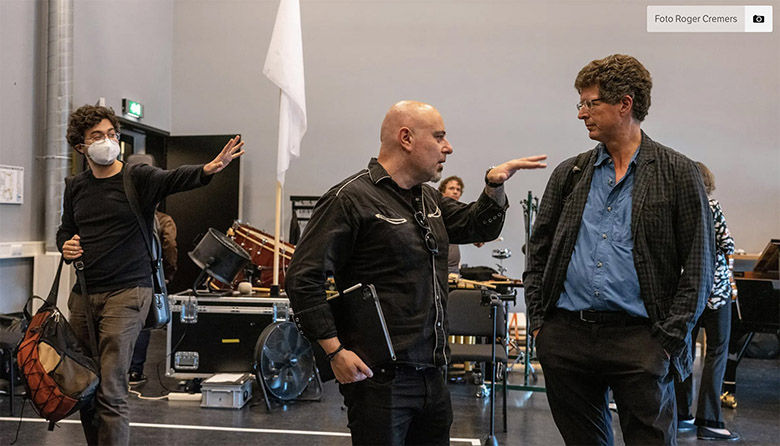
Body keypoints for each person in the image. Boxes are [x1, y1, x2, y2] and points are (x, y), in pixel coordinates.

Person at [285, 100, 546, 445]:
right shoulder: (350, 199)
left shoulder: (428, 199)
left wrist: (494, 186)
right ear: (406, 138)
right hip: (380, 380)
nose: (448, 147)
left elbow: (477, 226)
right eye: (439, 137)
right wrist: (334, 351)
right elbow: (302, 278)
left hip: (433, 374)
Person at [523, 54, 714, 445]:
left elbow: (699, 267)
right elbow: (538, 252)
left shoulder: (677, 173)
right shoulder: (570, 174)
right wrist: (542, 326)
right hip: (568, 339)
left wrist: (667, 342)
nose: (581, 113)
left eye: (590, 103)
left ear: (625, 103)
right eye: (580, 103)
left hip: (642, 341)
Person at [57, 104, 244, 445]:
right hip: (84, 294)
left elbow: (173, 178)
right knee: (86, 384)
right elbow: (66, 230)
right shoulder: (75, 186)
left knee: (111, 386)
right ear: (81, 146)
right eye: (97, 136)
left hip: (129, 292)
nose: (107, 141)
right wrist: (65, 245)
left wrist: (208, 169)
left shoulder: (137, 177)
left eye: (111, 134)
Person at [675, 162, 739, 441]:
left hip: (687, 290)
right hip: (716, 292)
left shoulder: (678, 209)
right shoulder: (711, 207)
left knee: (684, 352)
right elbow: (727, 244)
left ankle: (681, 415)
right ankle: (710, 420)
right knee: (716, 351)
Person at [128, 209, 178, 386]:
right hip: (147, 275)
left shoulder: (128, 214)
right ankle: (135, 371)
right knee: (143, 324)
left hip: (122, 275)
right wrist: (168, 273)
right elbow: (170, 245)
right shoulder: (164, 220)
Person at [438, 175, 484, 274]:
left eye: (458, 189)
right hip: (439, 268)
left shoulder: (458, 214)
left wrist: (474, 238)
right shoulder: (437, 212)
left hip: (454, 269)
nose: (455, 192)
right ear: (442, 192)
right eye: (451, 188)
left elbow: (461, 231)